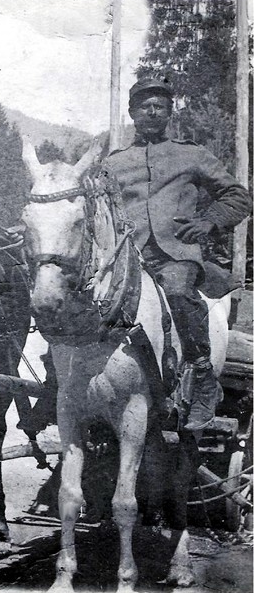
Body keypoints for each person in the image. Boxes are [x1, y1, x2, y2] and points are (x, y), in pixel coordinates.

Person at [100, 77, 251, 431]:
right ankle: (56, 381)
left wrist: (208, 222)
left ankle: (201, 377)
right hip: (125, 257)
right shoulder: (115, 163)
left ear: (169, 113)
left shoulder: (191, 154)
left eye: (160, 107)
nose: (151, 112)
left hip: (175, 254)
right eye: (144, 106)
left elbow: (238, 196)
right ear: (132, 113)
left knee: (179, 292)